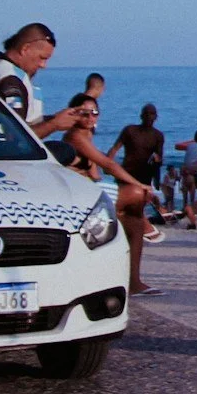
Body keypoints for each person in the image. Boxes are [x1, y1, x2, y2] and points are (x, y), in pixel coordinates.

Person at [57, 94, 158, 294]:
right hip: (77, 194)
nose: (90, 117)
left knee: (134, 224)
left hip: (88, 187)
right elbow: (108, 164)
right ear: (73, 113)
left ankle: (133, 280)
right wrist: (140, 185)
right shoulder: (75, 136)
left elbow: (95, 173)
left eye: (94, 113)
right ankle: (143, 224)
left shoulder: (87, 135)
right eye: (84, 113)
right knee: (137, 193)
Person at [0, 25, 82, 138]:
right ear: (25, 49)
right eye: (42, 58)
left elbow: (19, 123)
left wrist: (54, 119)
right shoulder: (12, 83)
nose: (43, 65)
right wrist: (54, 125)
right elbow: (15, 136)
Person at [114, 105, 167, 210]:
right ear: (141, 116)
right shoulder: (130, 130)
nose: (149, 116)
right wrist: (108, 164)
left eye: (151, 114)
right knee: (122, 201)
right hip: (127, 171)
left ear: (156, 117)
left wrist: (156, 178)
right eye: (146, 113)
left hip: (144, 173)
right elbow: (115, 148)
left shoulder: (158, 136)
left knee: (139, 204)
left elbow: (159, 158)